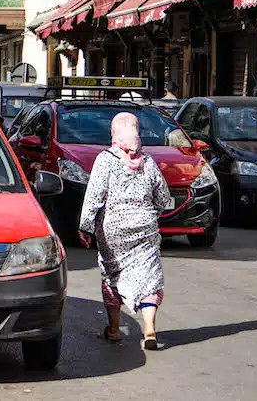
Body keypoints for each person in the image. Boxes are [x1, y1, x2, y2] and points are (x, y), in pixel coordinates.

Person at [78, 112, 171, 351]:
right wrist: (149, 213)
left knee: (112, 276)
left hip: (112, 231)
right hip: (145, 229)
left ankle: (114, 330)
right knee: (149, 278)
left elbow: (94, 197)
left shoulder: (105, 160)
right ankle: (149, 329)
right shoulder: (148, 161)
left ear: (114, 133)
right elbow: (163, 197)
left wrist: (85, 227)